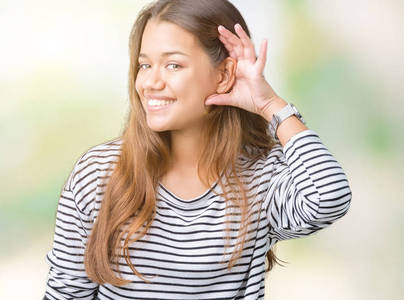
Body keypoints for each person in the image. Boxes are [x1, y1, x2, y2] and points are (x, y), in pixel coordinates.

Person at [43, 0, 352, 299]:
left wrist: (271, 105)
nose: (150, 82)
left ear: (223, 75)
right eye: (145, 65)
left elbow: (329, 197)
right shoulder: (99, 173)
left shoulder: (260, 178)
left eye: (173, 64)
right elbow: (66, 295)